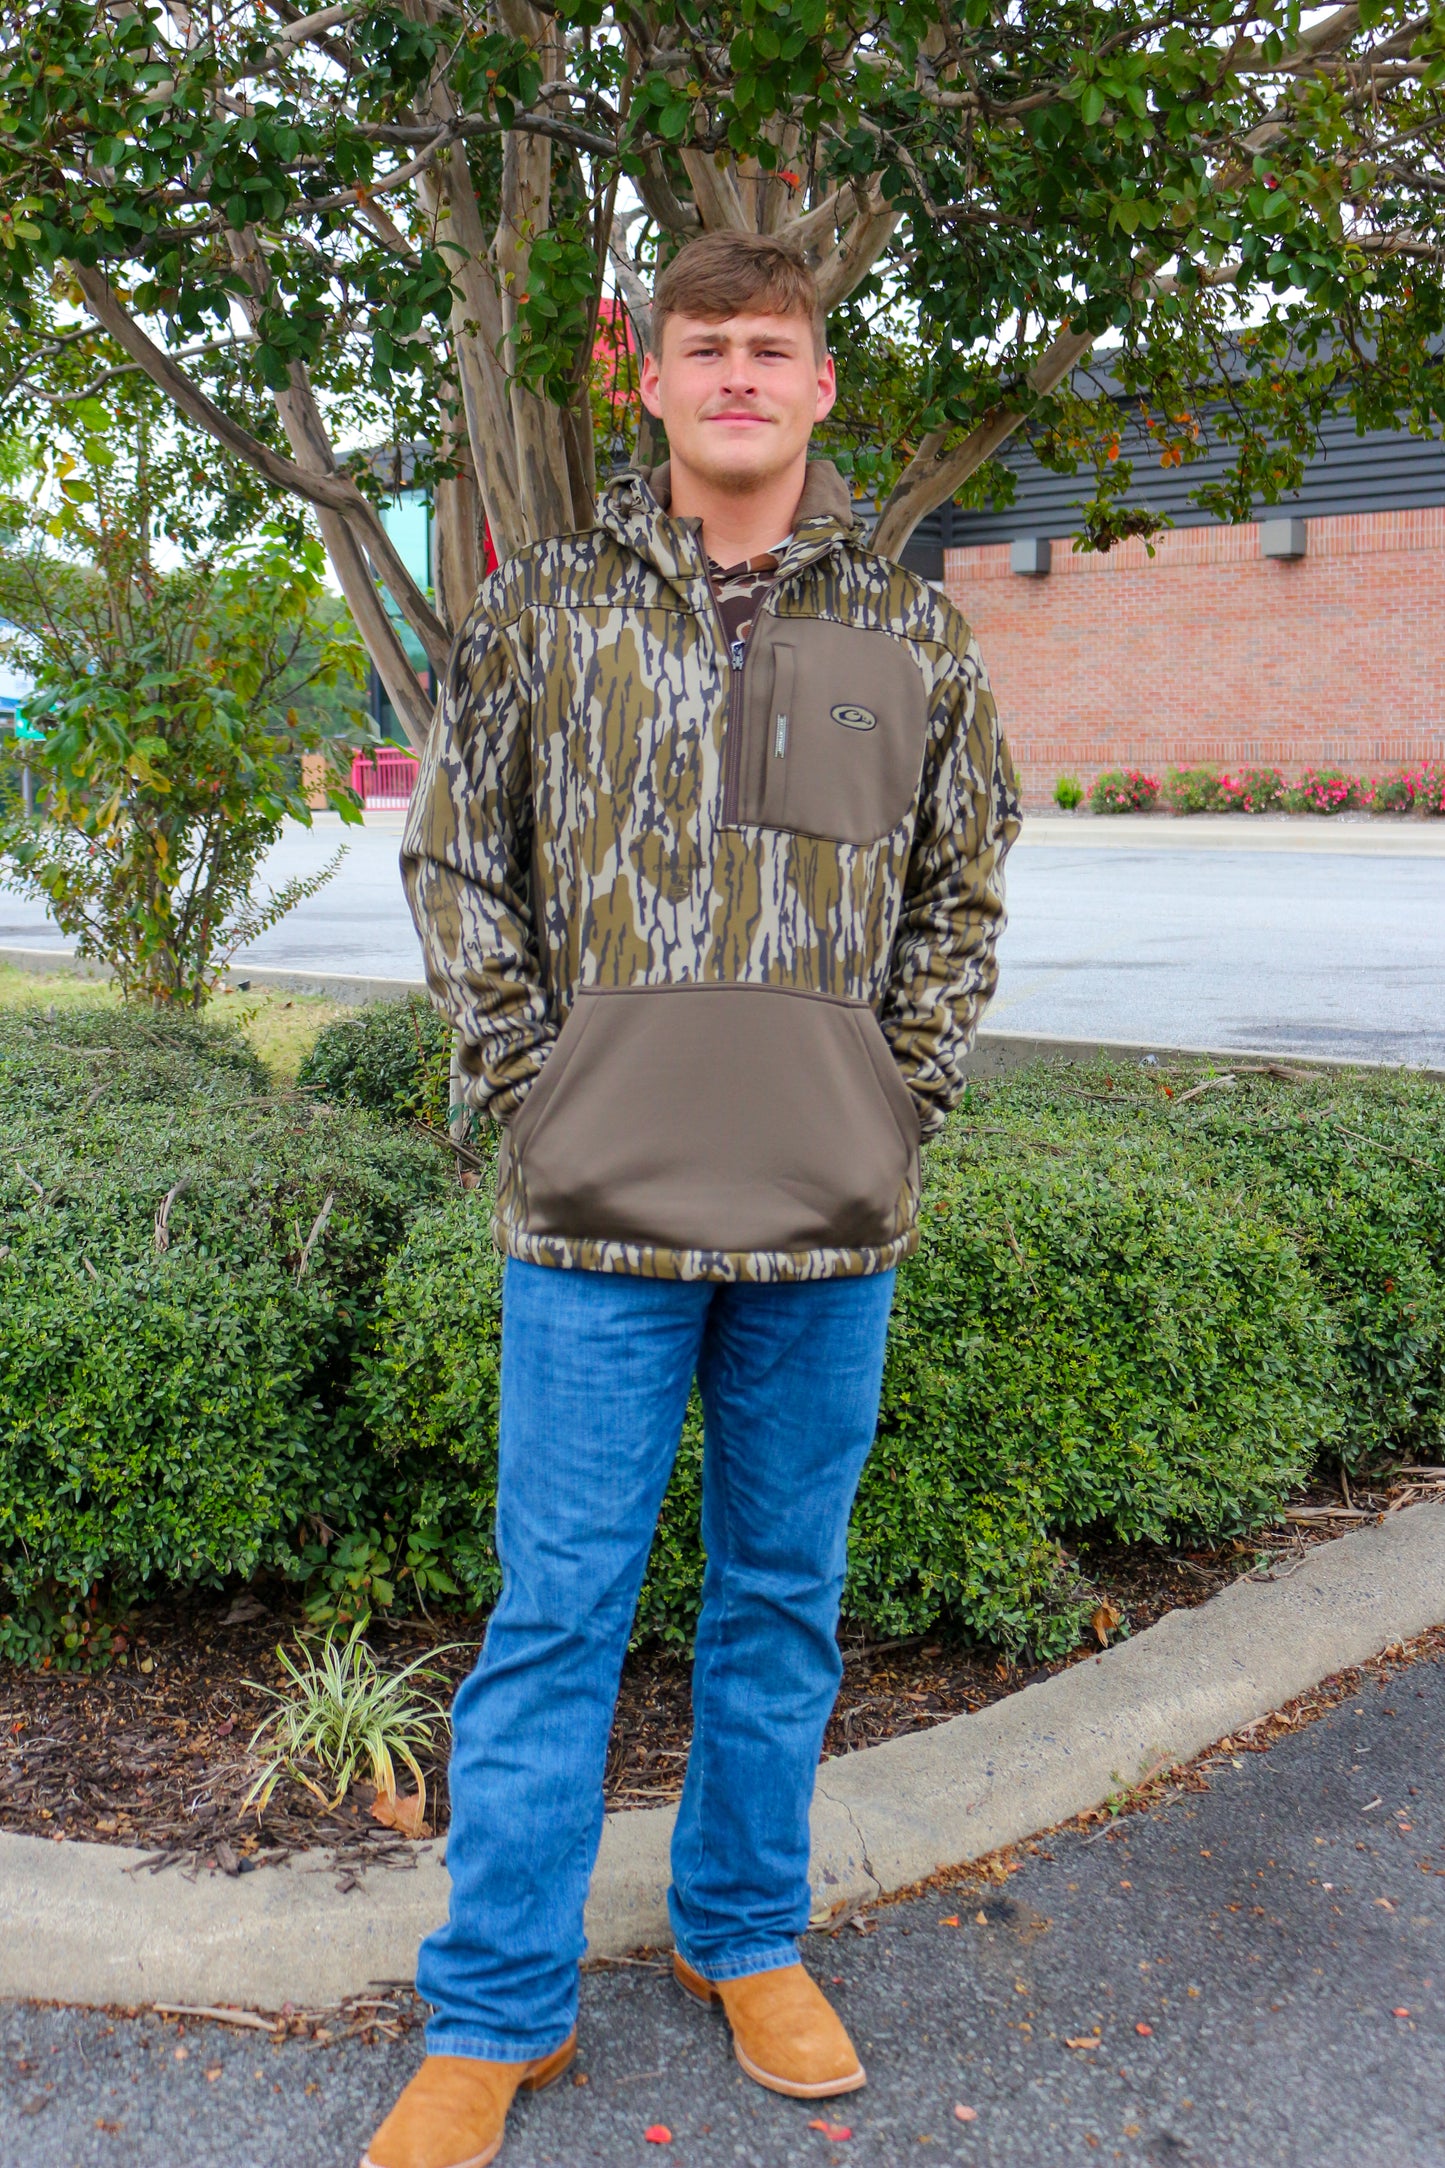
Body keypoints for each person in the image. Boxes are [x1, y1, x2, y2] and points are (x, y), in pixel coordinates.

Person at [364, 229, 1020, 2168]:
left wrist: (894, 1101)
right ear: (648, 382)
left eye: (771, 347)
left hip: (826, 1225)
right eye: (704, 344)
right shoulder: (543, 609)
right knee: (556, 1614)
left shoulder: (911, 635)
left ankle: (745, 1935)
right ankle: (497, 2009)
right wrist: (530, 1089)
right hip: (592, 1226)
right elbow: (458, 864)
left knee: (782, 1603)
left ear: (818, 386)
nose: (738, 373)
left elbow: (960, 889)